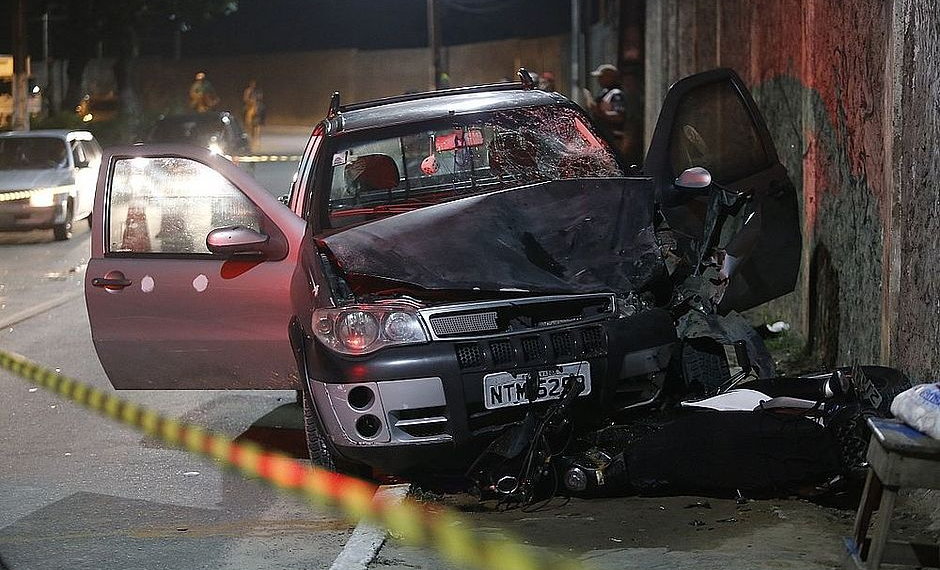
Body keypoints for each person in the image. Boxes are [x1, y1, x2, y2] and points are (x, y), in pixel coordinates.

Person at [587, 64, 626, 153]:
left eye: (601, 77)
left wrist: (601, 113)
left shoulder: (616, 94)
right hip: (605, 135)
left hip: (613, 137)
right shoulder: (605, 92)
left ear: (610, 77)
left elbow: (619, 117)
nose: (599, 80)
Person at [242, 79, 264, 148]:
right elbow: (245, 98)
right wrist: (250, 101)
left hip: (256, 106)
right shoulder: (248, 91)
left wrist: (256, 102)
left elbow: (260, 97)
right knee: (245, 111)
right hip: (249, 105)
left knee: (262, 109)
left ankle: (262, 120)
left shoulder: (257, 91)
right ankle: (245, 122)